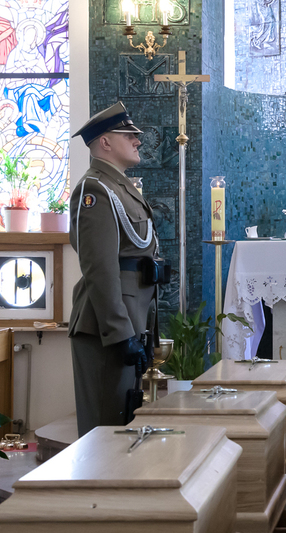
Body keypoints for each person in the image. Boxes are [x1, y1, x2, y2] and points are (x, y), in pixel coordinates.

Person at [69, 102, 167, 437]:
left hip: (129, 320)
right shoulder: (94, 189)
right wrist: (121, 332)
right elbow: (100, 267)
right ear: (105, 143)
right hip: (107, 328)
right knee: (105, 429)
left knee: (122, 424)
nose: (137, 140)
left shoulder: (119, 186)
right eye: (128, 135)